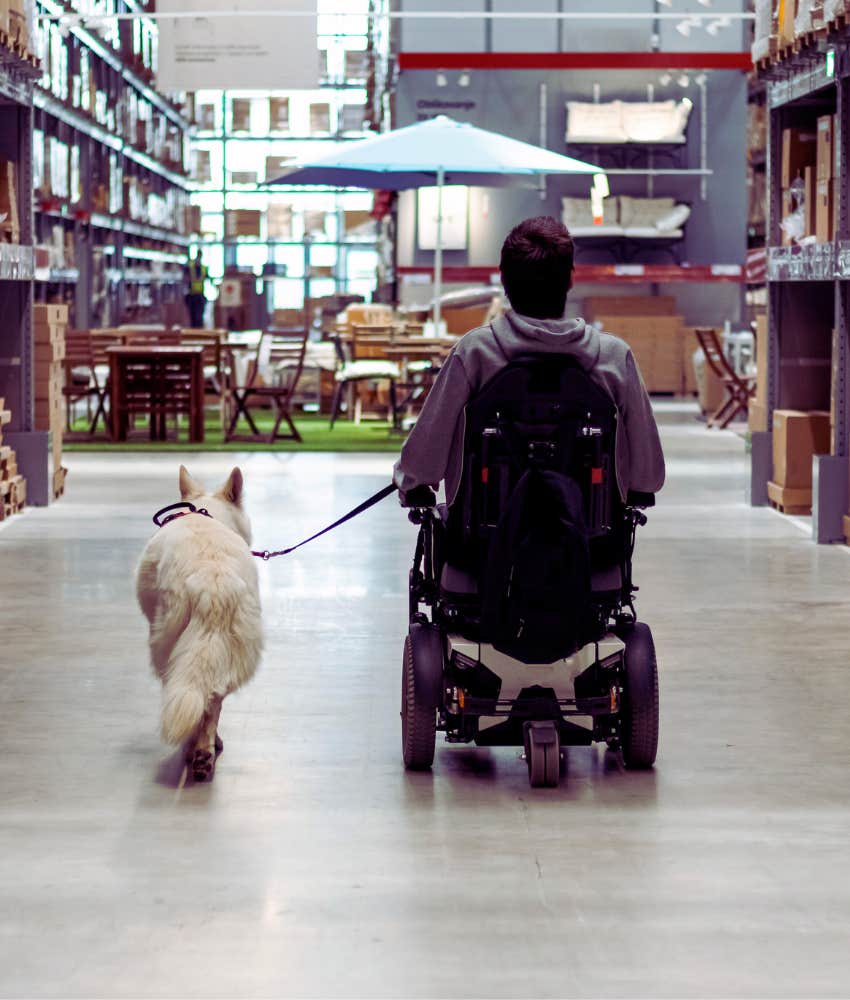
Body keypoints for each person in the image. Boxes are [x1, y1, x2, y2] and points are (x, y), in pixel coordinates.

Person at [393, 215, 665, 505]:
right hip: (591, 543)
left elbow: (421, 464)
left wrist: (410, 481)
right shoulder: (614, 357)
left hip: (481, 545)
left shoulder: (475, 353)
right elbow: (647, 476)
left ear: (503, 278)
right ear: (571, 278)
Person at [185, 248, 208, 329]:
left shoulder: (203, 268)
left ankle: (198, 332)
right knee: (193, 316)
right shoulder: (190, 266)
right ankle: (195, 333)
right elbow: (185, 277)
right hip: (192, 295)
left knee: (198, 316)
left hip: (199, 295)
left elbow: (208, 278)